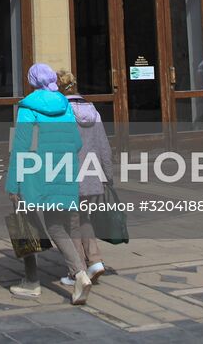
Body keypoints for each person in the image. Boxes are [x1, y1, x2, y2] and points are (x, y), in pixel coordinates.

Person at [5, 63, 89, 305]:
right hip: (62, 170)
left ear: (32, 81)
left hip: (34, 173)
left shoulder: (28, 107)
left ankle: (31, 282)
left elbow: (21, 146)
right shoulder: (65, 105)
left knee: (25, 223)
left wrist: (13, 184)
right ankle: (80, 275)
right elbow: (76, 142)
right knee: (56, 226)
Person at [57, 70, 113, 288]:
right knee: (84, 218)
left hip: (70, 175)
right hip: (92, 176)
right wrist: (107, 176)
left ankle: (77, 271)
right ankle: (95, 261)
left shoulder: (62, 111)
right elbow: (103, 145)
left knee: (70, 221)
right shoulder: (92, 110)